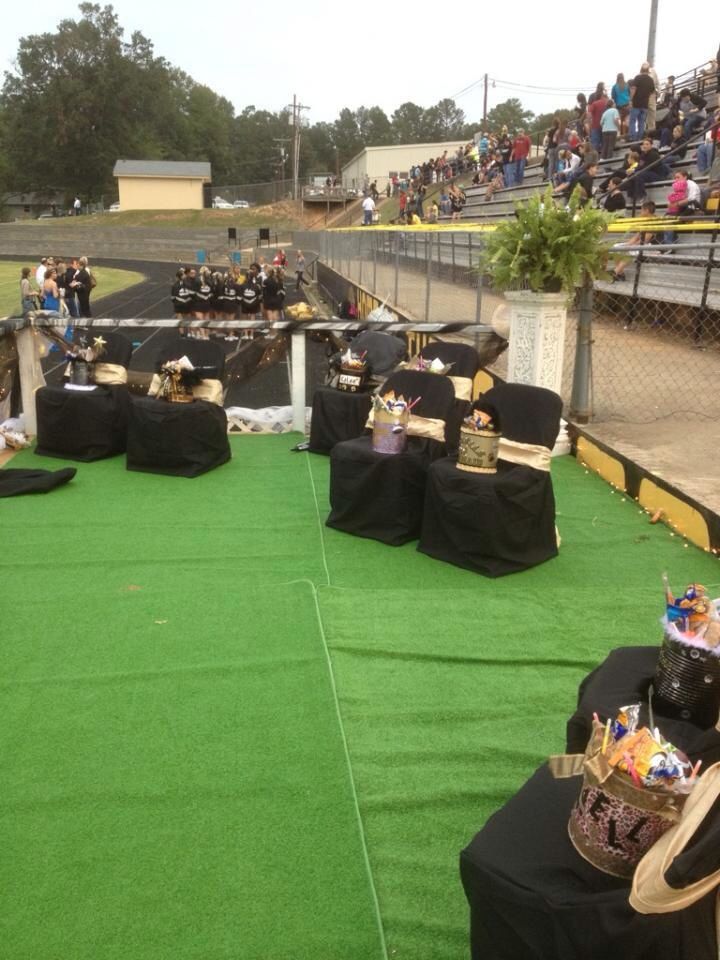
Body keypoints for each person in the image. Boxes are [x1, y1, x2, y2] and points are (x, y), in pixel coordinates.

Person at [611, 200, 659, 281]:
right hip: (642, 244)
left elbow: (646, 240)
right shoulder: (645, 220)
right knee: (616, 247)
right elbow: (637, 236)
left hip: (652, 246)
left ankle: (615, 272)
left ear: (646, 211)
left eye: (641, 210)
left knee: (630, 251)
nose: (640, 211)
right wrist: (628, 244)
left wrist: (631, 246)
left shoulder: (654, 221)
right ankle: (620, 273)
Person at [629, 65, 655, 140]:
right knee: (641, 122)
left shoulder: (637, 77)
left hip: (636, 104)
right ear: (648, 71)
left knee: (633, 121)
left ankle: (633, 137)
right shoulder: (650, 80)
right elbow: (652, 92)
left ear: (641, 70)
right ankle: (639, 138)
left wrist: (630, 100)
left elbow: (633, 89)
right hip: (645, 105)